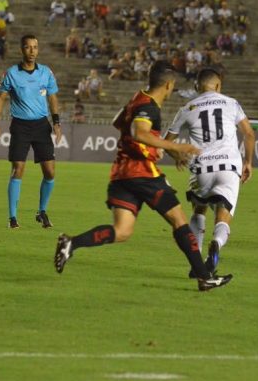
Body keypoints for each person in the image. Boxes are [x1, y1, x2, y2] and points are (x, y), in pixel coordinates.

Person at [53, 61, 233, 292]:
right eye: (172, 86)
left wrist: (157, 146)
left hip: (121, 173)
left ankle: (71, 243)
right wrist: (174, 147)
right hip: (142, 173)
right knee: (179, 221)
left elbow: (118, 122)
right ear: (168, 85)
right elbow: (139, 132)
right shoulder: (149, 107)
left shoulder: (136, 99)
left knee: (122, 231)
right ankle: (203, 276)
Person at [164, 66, 255, 277]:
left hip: (201, 168)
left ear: (197, 86)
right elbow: (249, 134)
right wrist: (248, 163)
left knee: (199, 210)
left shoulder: (187, 108)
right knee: (222, 217)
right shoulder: (231, 103)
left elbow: (166, 143)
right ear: (219, 85)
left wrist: (177, 156)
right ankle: (216, 244)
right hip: (228, 167)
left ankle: (196, 263)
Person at [0, 35, 62, 229]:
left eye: (35, 47)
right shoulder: (12, 73)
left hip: (41, 126)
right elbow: (1, 98)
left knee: (50, 171)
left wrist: (56, 123)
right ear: (22, 50)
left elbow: (53, 98)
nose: (32, 51)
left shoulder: (46, 73)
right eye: (28, 47)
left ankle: (42, 211)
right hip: (21, 126)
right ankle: (12, 218)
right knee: (18, 169)